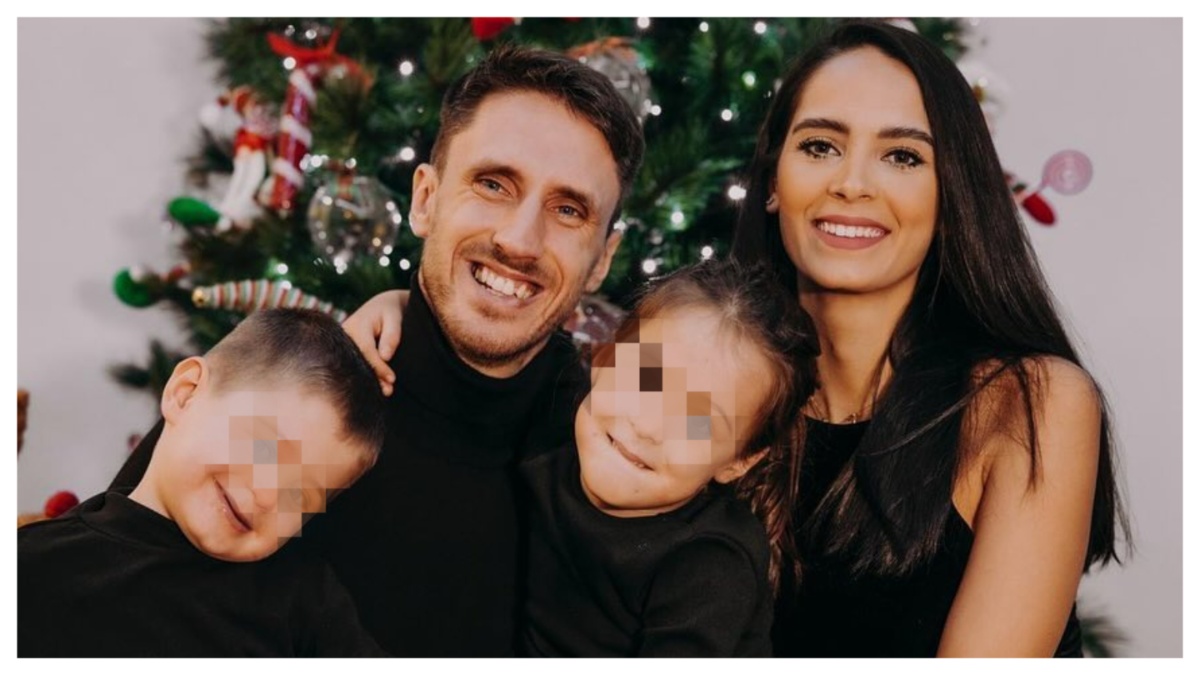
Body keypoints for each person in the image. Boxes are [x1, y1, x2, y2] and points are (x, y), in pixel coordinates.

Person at [111, 44, 645, 656]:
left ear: (602, 259)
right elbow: (103, 593)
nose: (520, 240)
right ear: (425, 200)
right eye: (493, 184)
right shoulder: (276, 394)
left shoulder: (617, 465)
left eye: (569, 209)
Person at [730, 20, 1127, 657]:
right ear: (774, 180)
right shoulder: (711, 391)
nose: (852, 183)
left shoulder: (1032, 403)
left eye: (903, 156)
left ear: (951, 196)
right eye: (820, 146)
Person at [20, 309, 387, 657]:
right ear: (186, 393)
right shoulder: (33, 568)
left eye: (300, 496)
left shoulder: (305, 601)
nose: (266, 496)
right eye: (265, 448)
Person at [519, 259, 818, 657]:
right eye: (644, 377)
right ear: (604, 357)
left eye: (697, 422)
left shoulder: (709, 564)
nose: (647, 426)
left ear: (739, 461)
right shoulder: (539, 441)